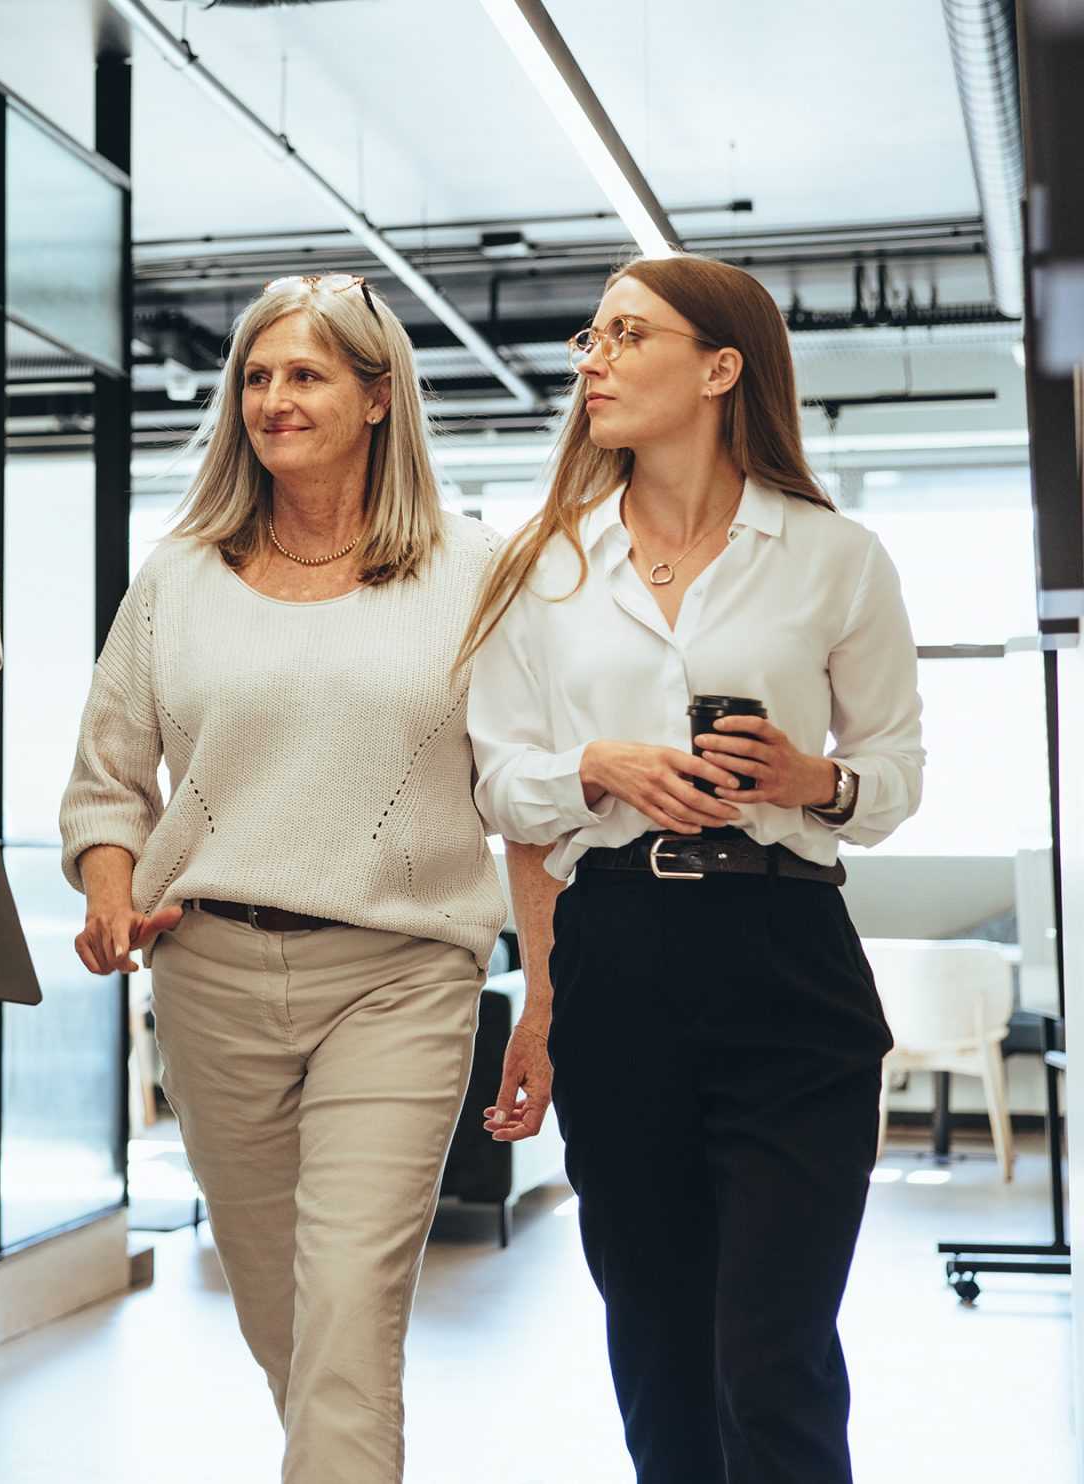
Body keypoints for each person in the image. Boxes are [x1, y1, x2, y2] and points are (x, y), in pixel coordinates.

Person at [462, 253, 924, 1482]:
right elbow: (497, 784)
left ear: (720, 369)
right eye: (589, 338)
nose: (590, 358)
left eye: (625, 334)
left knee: (771, 1350)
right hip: (617, 954)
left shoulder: (834, 555)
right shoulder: (541, 567)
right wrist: (597, 767)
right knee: (656, 1342)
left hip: (789, 961)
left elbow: (894, 770)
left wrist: (806, 780)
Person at [60, 273, 505, 1481]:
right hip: (208, 978)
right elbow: (108, 780)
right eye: (254, 377)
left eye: (303, 374)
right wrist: (109, 888)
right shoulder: (179, 577)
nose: (272, 399)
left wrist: (552, 996)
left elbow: (528, 793)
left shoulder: (471, 571)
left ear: (376, 396)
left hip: (402, 975)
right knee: (284, 1322)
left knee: (349, 1312)